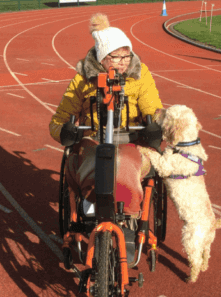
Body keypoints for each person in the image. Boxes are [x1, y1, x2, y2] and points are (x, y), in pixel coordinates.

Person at [49, 13, 163, 216]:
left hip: (131, 140)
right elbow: (59, 120)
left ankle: (129, 210)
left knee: (123, 164)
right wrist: (65, 132)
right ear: (101, 58)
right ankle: (92, 200)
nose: (123, 62)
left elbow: (153, 108)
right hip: (93, 140)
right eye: (116, 57)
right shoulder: (83, 79)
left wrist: (154, 126)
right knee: (96, 165)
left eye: (126, 55)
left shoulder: (140, 74)